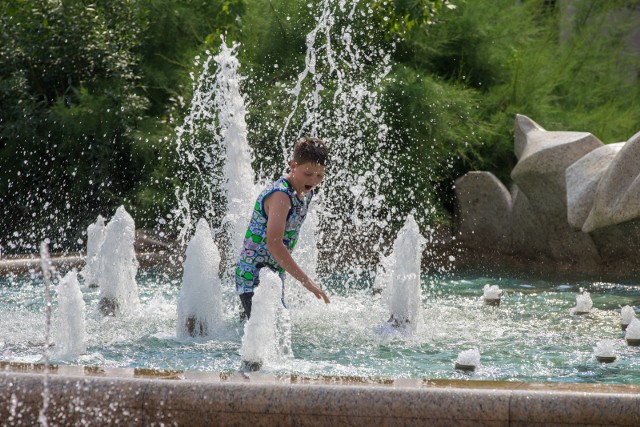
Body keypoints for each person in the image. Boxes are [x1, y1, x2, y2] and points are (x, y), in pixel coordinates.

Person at [235, 136, 331, 318]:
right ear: (293, 166)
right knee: (269, 333)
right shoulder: (281, 195)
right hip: (252, 275)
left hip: (272, 275)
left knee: (259, 333)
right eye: (308, 174)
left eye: (319, 175)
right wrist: (306, 281)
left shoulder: (304, 192)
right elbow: (274, 243)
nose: (313, 180)